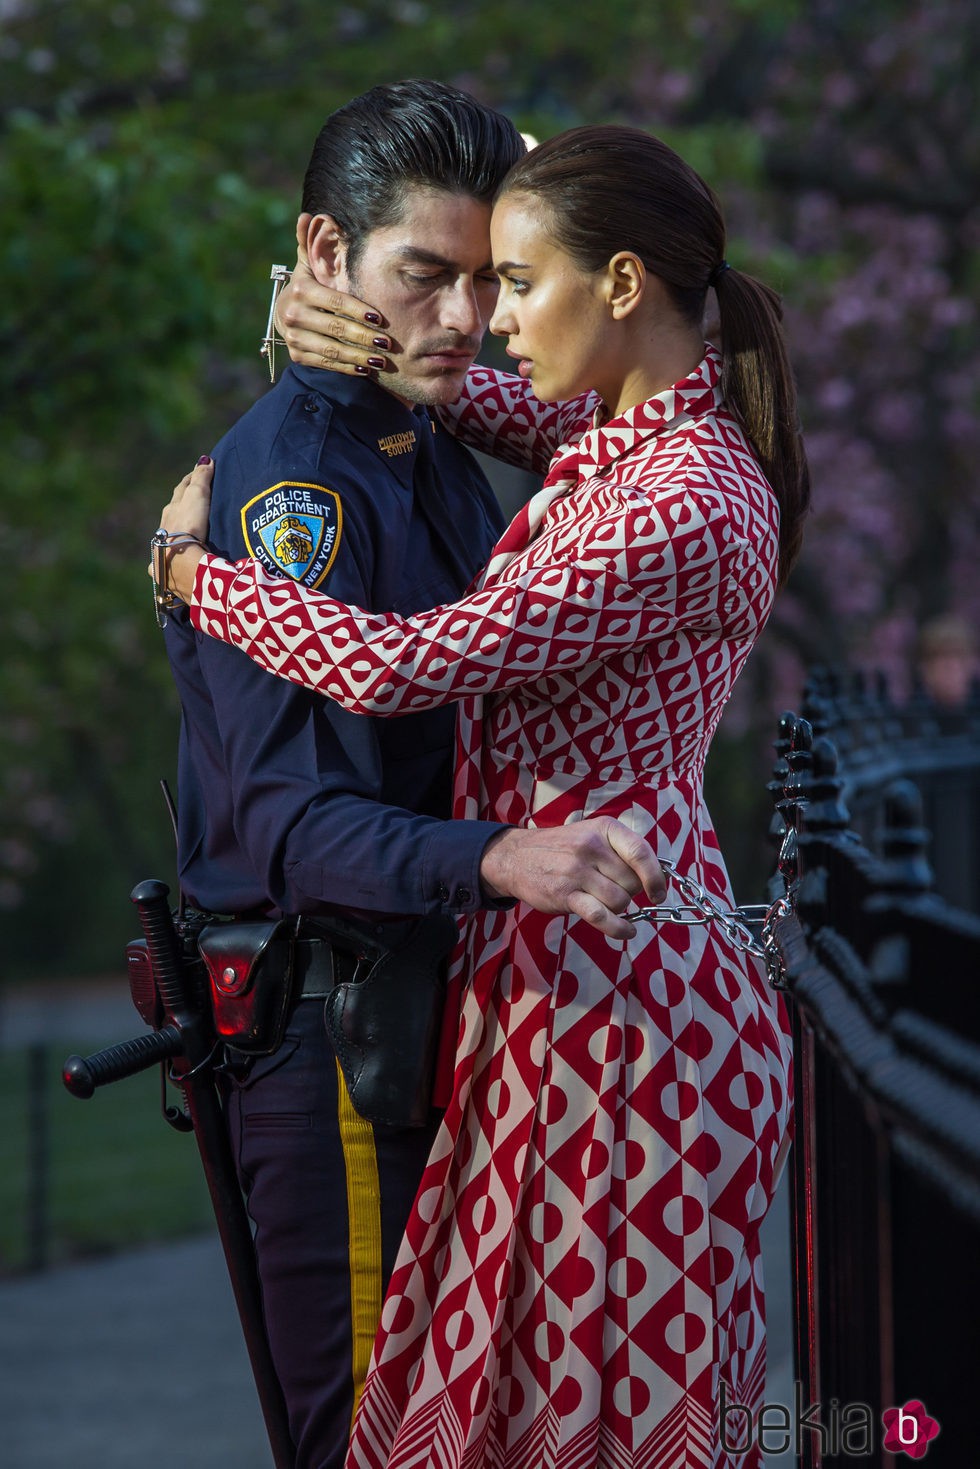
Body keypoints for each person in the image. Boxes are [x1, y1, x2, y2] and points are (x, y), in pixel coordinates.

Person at [157, 124, 808, 1468]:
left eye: (514, 284)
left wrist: (185, 573)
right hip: (567, 977)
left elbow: (402, 664)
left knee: (607, 1414)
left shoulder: (675, 496)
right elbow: (471, 381)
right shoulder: (628, 431)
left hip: (624, 1001)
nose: (487, 321)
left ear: (621, 286)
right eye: (457, 280)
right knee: (527, 1407)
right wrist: (319, 313)